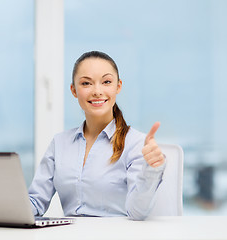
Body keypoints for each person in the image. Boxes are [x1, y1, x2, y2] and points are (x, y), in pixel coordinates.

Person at [29, 51, 166, 220]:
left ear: (118, 86)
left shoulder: (135, 143)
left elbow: (137, 212)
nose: (97, 91)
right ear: (73, 90)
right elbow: (35, 202)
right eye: (86, 83)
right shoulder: (60, 143)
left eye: (106, 82)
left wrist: (152, 170)